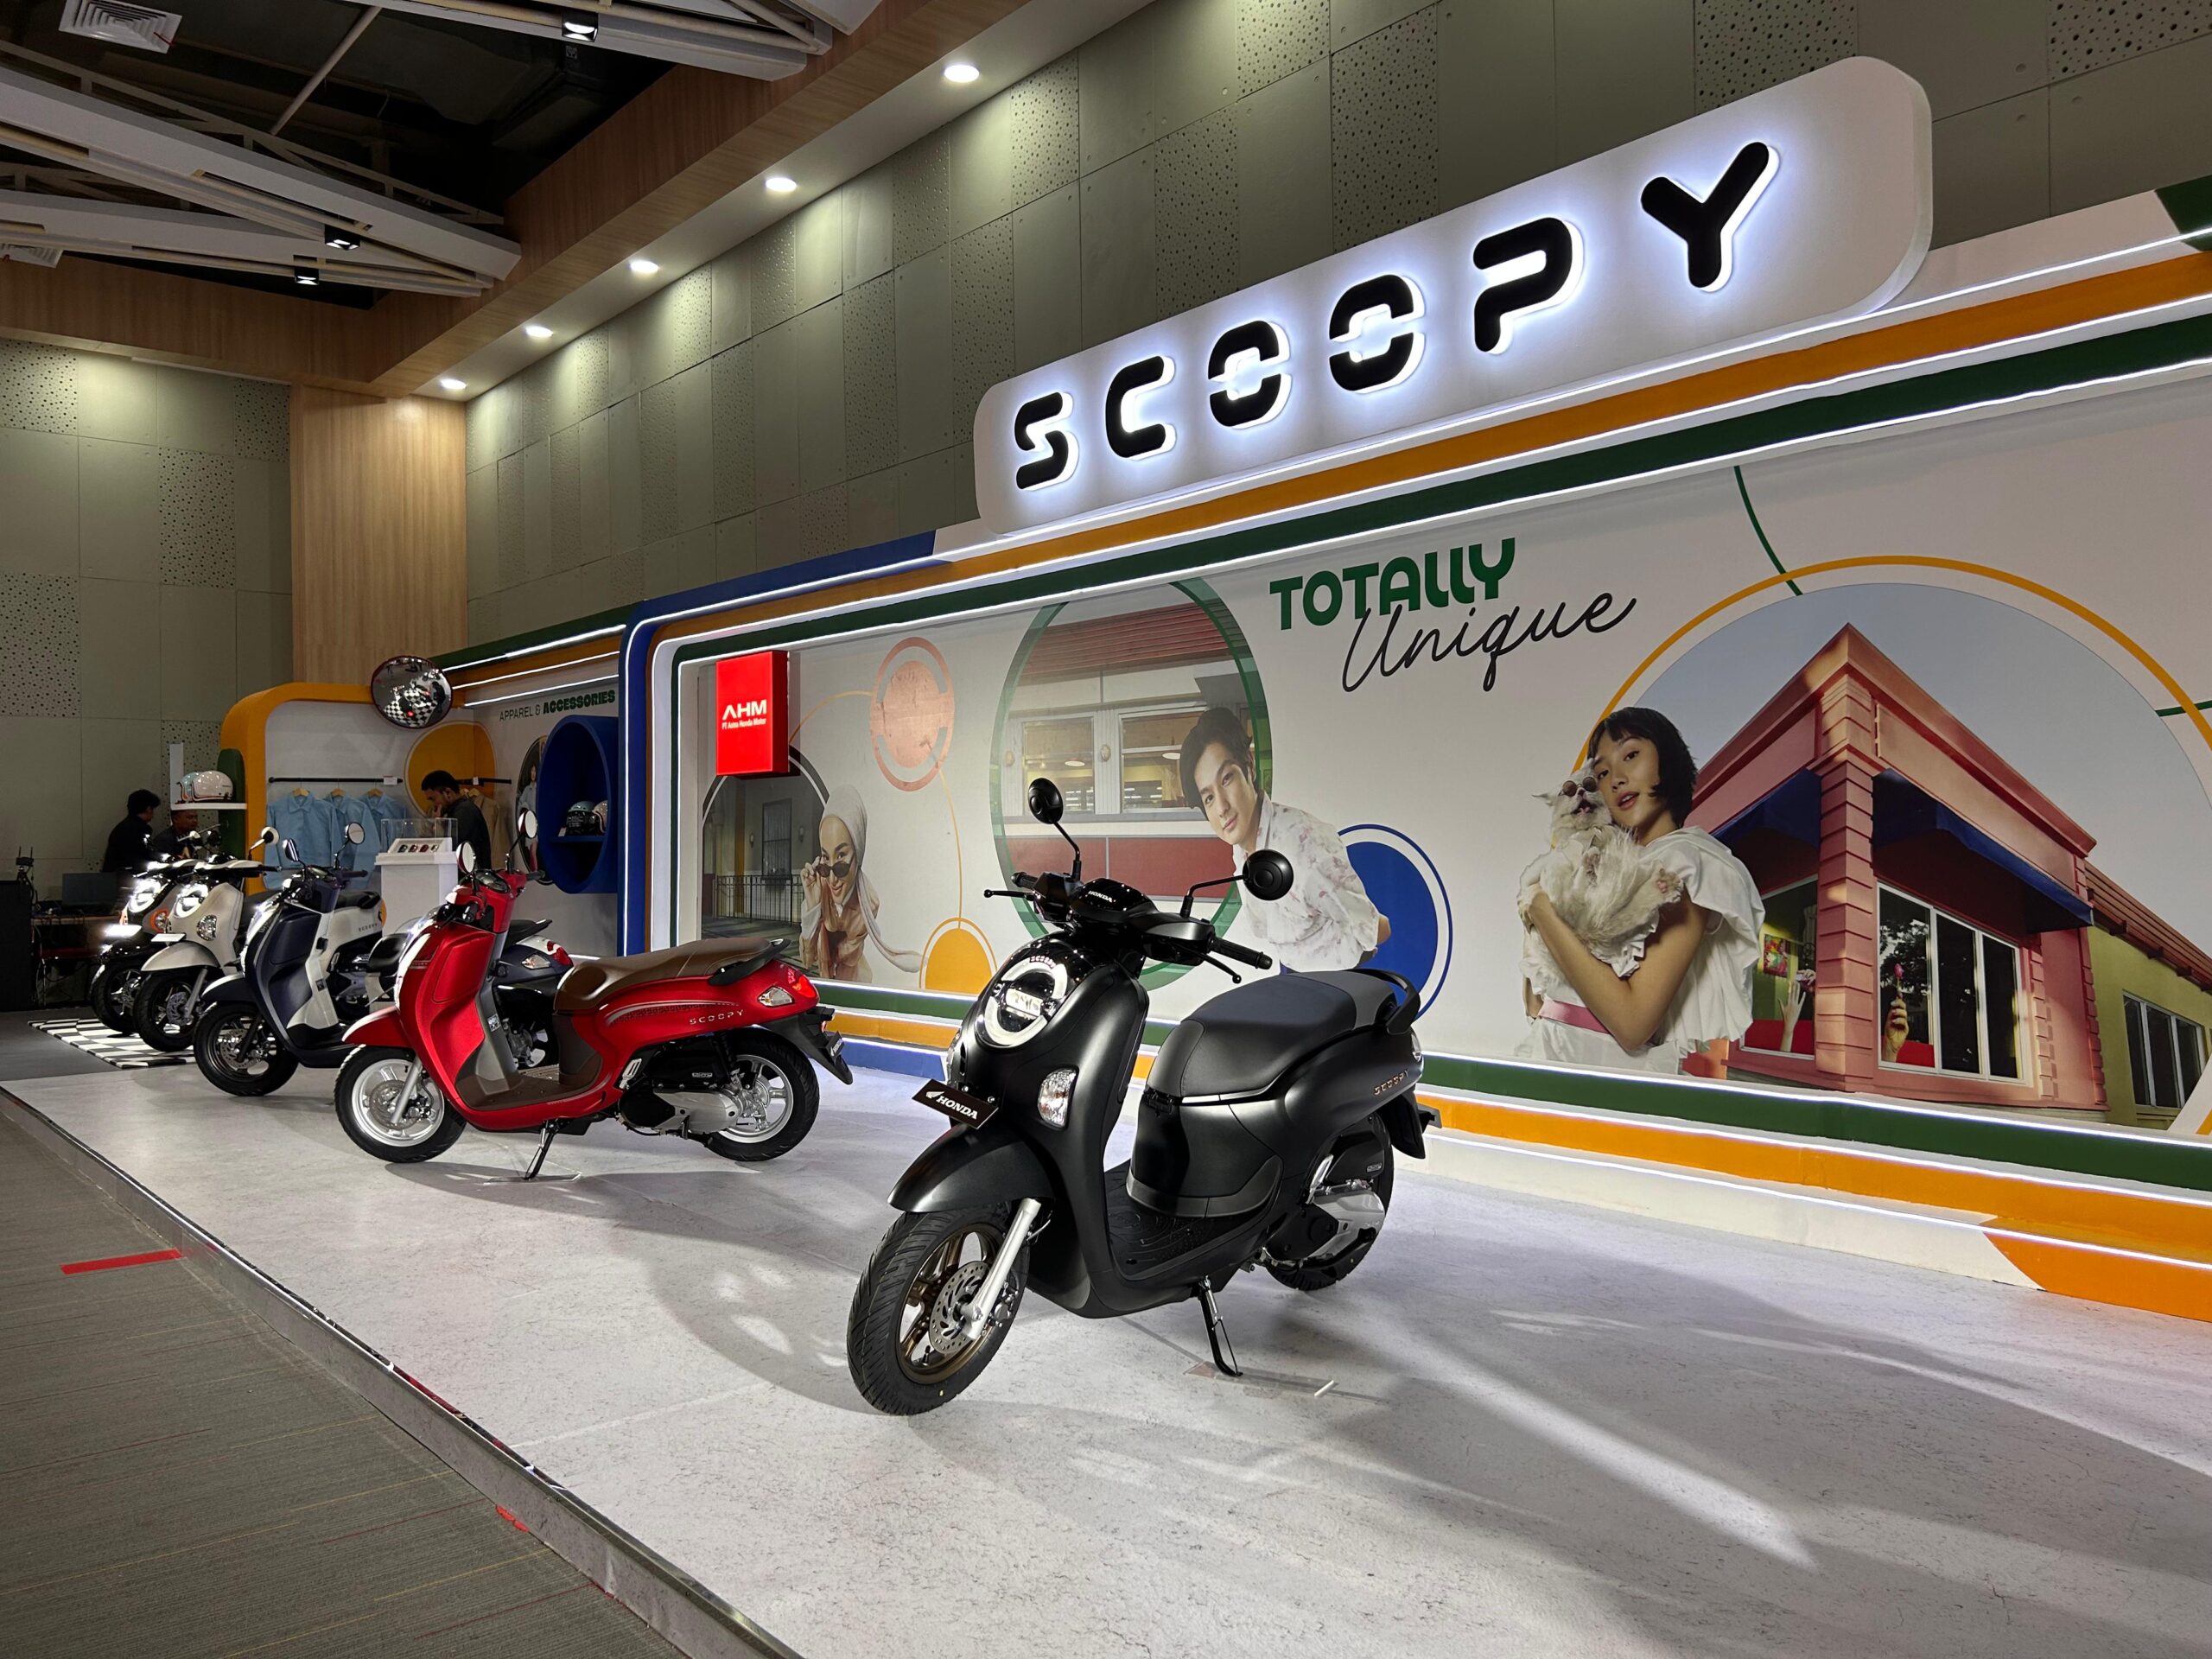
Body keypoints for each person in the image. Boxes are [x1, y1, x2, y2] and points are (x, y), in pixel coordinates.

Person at [1518, 706, 1763, 1074]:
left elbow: (1633, 1024)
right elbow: (1535, 1001)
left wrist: (1541, 909)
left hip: (1604, 1071)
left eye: (1631, 755)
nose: (1616, 779)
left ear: (1667, 759)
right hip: (1551, 1049)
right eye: (1602, 773)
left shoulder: (1688, 863)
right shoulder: (1606, 859)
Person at [1179, 706, 1389, 972]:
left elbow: (1375, 929)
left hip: (1341, 978)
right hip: (1292, 972)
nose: (1222, 807)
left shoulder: (1302, 845)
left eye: (1227, 779)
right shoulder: (1243, 850)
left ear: (1249, 767)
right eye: (1209, 798)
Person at [799, 784, 918, 983]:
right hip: (826, 974)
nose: (832, 879)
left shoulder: (868, 903)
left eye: (841, 857)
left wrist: (827, 949)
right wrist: (813, 907)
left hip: (852, 973)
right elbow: (807, 959)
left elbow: (846, 957)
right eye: (825, 858)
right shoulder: (821, 886)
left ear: (858, 853)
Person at [420, 769, 493, 874]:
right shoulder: (456, 810)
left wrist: (438, 823)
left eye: (433, 799)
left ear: (448, 793)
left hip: (470, 878)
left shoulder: (464, 811)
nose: (433, 805)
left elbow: (450, 845)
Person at [100, 789, 162, 873]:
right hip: (129, 876)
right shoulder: (141, 829)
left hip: (114, 875)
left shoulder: (122, 827)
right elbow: (144, 855)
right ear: (149, 809)